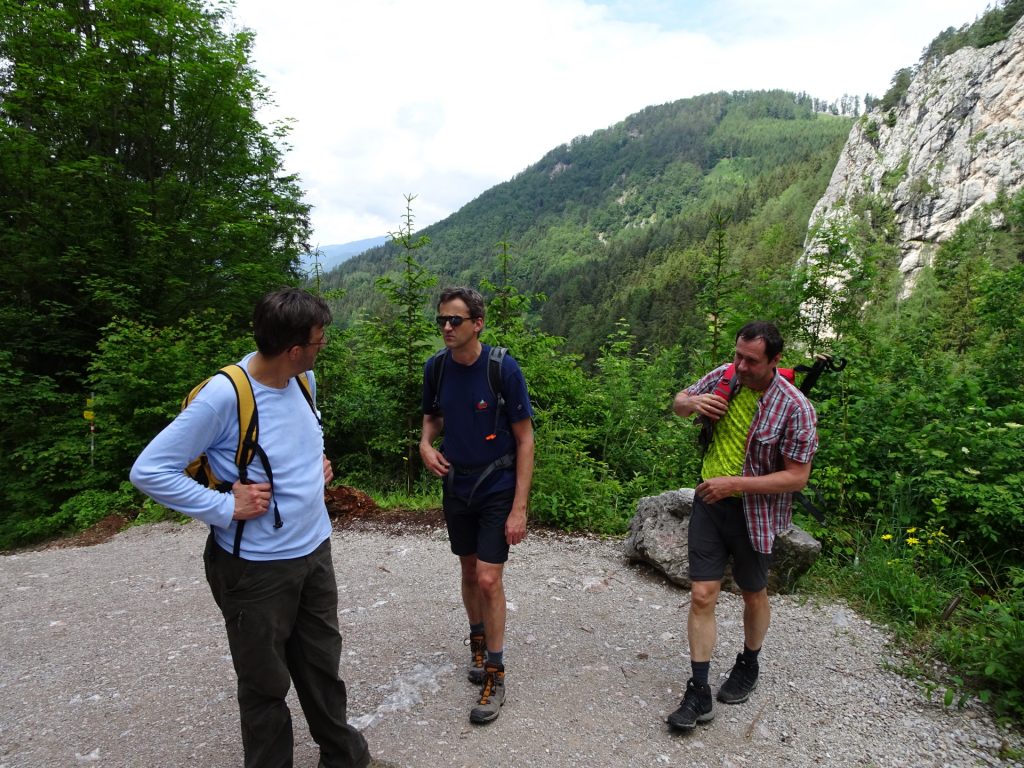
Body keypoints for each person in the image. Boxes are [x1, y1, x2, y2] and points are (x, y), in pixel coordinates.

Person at [131, 288, 388, 768]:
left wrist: (317, 465)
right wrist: (224, 506)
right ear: (293, 349)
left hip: (314, 550)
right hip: (255, 570)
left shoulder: (303, 379)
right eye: (318, 339)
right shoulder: (225, 396)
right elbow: (149, 471)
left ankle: (343, 757)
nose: (323, 344)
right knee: (264, 685)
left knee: (320, 667)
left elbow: (298, 437)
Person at [666, 321, 818, 731]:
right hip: (710, 504)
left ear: (775, 360)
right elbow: (678, 402)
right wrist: (693, 404)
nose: (741, 365)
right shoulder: (725, 376)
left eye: (751, 360)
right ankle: (698, 691)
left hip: (757, 513)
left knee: (753, 591)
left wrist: (737, 483)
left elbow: (797, 477)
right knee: (702, 594)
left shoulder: (796, 407)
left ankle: (748, 661)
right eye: (738, 355)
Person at [418, 286, 535, 725]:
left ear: (477, 323)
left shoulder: (502, 369)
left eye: (455, 320)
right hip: (456, 485)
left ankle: (495, 673)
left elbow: (525, 439)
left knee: (488, 579)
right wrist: (426, 444)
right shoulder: (436, 369)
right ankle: (477, 640)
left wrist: (519, 507)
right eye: (442, 321)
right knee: (468, 570)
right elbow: (432, 416)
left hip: (496, 485)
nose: (447, 328)